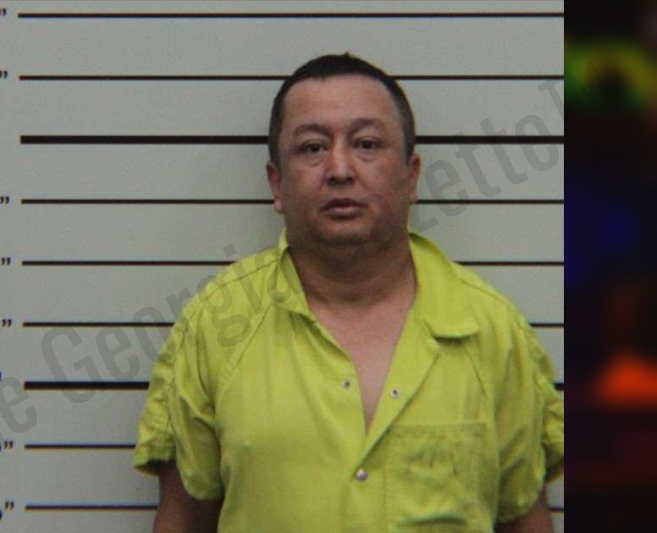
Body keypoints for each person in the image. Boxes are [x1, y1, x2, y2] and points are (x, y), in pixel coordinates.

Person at [133, 53, 564, 533]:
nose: (339, 168)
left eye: (367, 144)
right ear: (277, 183)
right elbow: (183, 519)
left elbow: (525, 519)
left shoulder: (493, 332)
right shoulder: (215, 326)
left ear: (411, 176)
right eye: (312, 148)